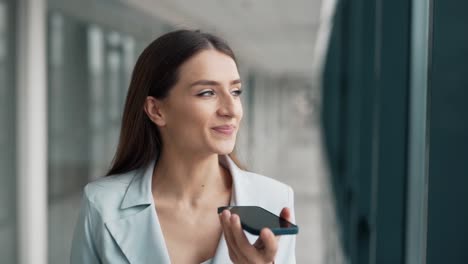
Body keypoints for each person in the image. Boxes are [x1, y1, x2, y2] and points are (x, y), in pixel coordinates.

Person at [70, 29, 296, 264]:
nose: (231, 110)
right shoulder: (102, 204)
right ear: (157, 110)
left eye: (235, 91)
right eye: (207, 93)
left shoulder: (274, 199)